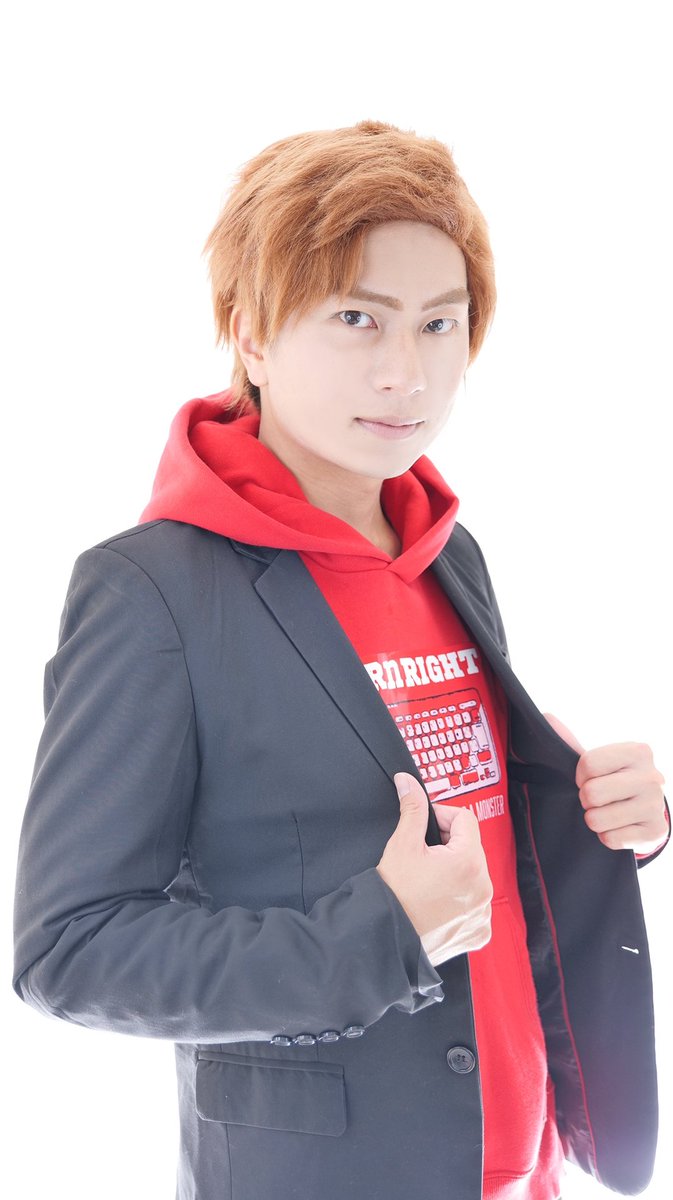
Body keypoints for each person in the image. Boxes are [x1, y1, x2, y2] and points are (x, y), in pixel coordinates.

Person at [12, 119, 669, 1200]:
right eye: (355, 318)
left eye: (438, 323)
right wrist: (378, 936)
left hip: (522, 1165)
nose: (405, 373)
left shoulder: (448, 553)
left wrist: (597, 817)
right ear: (252, 336)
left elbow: (469, 839)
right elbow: (67, 954)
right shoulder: (154, 592)